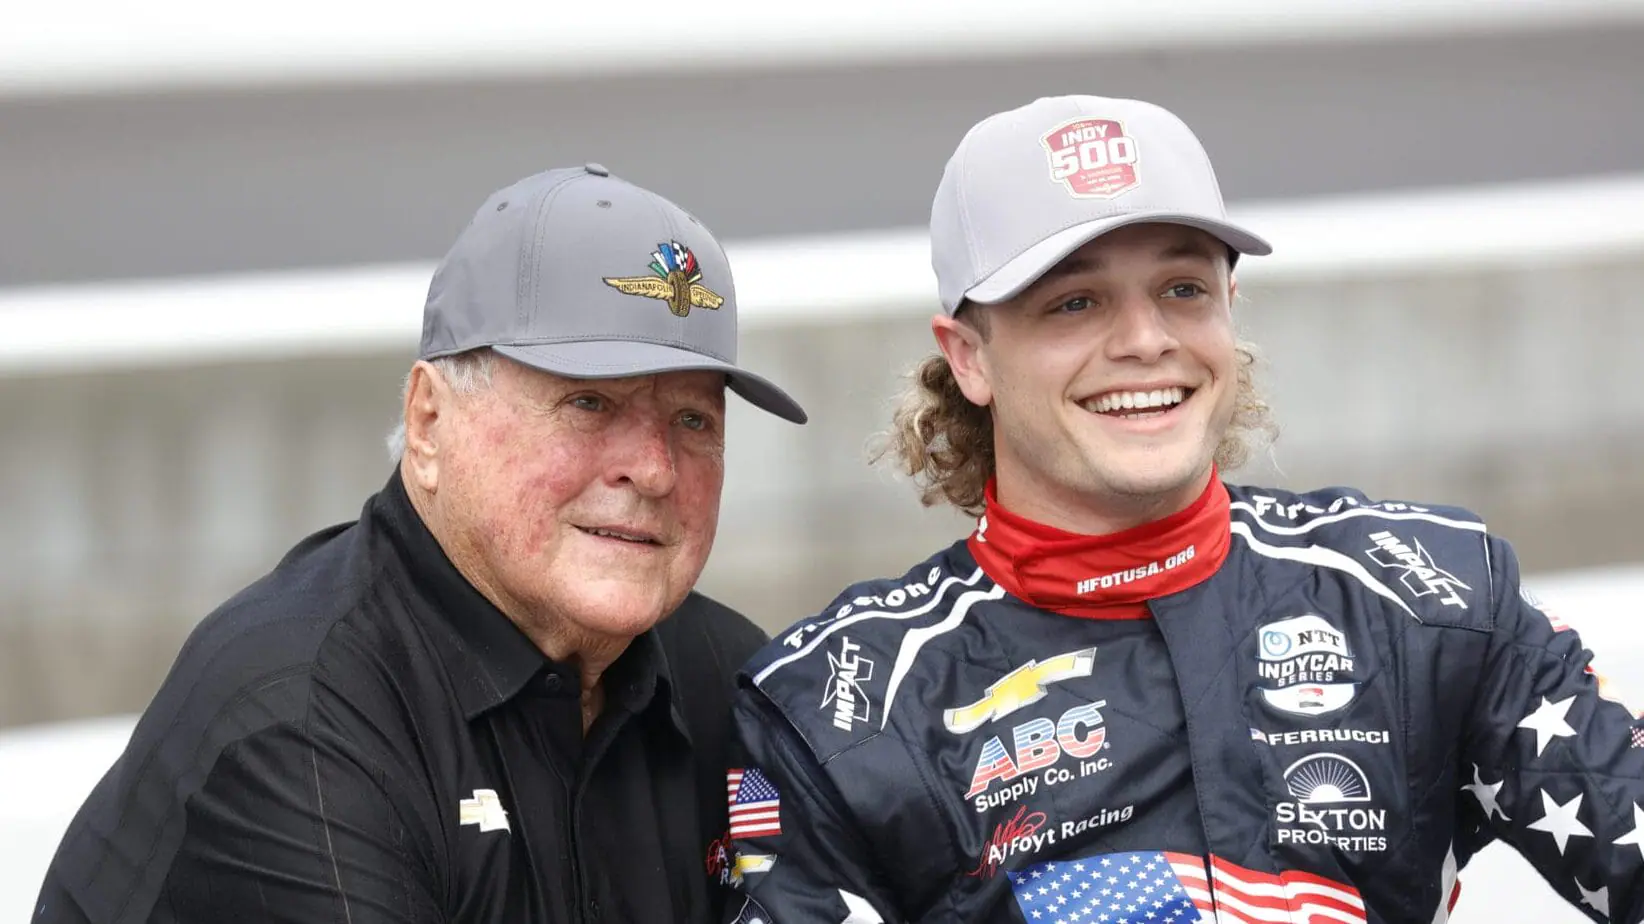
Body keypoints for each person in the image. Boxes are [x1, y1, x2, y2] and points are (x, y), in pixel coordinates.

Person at [720, 96, 1644, 924]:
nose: (1147, 340)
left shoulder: (1427, 594)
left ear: (1230, 310)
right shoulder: (841, 710)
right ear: (968, 357)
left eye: (1184, 288)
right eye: (1074, 302)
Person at [35, 163, 806, 924]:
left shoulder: (730, 680)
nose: (655, 468)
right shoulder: (301, 716)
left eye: (694, 420)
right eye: (590, 402)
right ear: (431, 422)